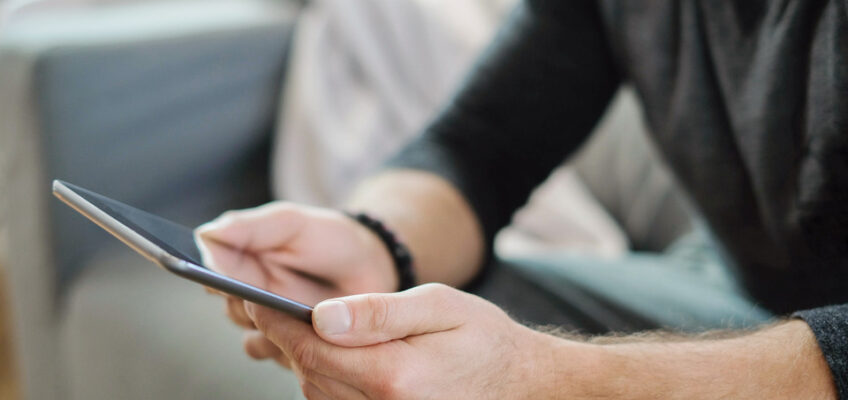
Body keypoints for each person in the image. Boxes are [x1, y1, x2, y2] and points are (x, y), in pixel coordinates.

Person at [195, 1, 848, 398]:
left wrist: (547, 381)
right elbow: (480, 147)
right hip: (733, 289)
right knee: (400, 344)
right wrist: (375, 242)